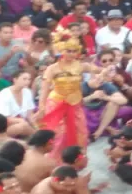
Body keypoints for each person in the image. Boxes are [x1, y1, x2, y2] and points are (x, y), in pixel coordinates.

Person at [36, 30, 96, 160]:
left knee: (81, 132)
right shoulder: (52, 68)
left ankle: (74, 160)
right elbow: (45, 89)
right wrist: (41, 107)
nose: (71, 54)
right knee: (58, 134)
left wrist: (105, 72)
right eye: (68, 51)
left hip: (75, 104)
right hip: (56, 103)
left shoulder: (81, 66)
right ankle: (53, 162)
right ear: (61, 50)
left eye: (74, 51)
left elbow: (97, 69)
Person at [0, 70, 36, 138]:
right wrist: (20, 120)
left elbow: (30, 114)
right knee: (23, 125)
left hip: (24, 123)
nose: (28, 82)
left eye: (29, 79)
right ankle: (38, 137)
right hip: (6, 127)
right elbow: (3, 118)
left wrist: (36, 125)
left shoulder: (28, 92)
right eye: (24, 79)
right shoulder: (4, 94)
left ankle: (37, 135)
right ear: (15, 80)